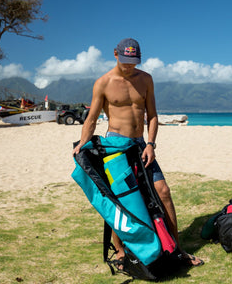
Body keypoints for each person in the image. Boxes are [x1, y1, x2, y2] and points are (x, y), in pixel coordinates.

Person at [73, 38, 204, 267]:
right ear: (115, 54)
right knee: (120, 200)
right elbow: (91, 119)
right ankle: (121, 252)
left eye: (133, 62)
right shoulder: (103, 83)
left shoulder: (145, 79)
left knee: (163, 191)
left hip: (141, 143)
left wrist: (151, 144)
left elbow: (152, 115)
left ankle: (178, 250)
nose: (129, 66)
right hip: (115, 144)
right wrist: (82, 146)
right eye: (125, 61)